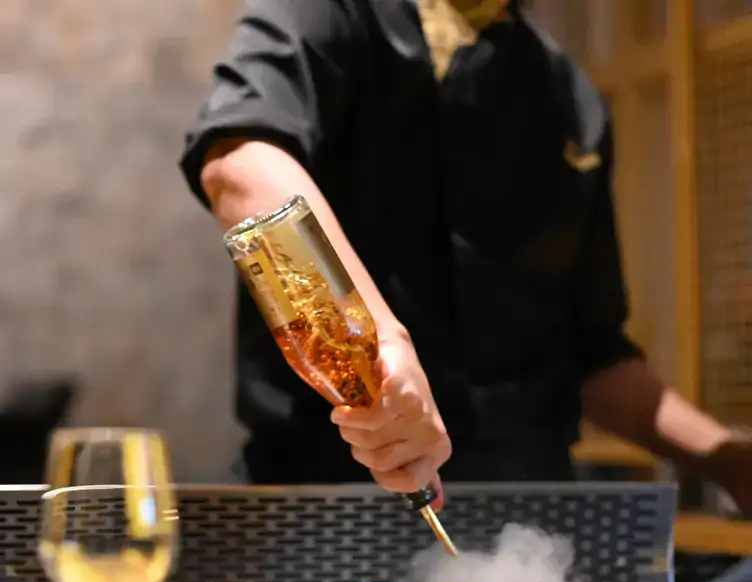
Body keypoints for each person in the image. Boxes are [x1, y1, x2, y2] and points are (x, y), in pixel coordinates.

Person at [179, 0, 752, 511]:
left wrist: (731, 462)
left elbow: (592, 354)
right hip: (328, 506)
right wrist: (378, 346)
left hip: (530, 523)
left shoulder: (569, 98)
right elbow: (240, 166)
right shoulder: (328, 12)